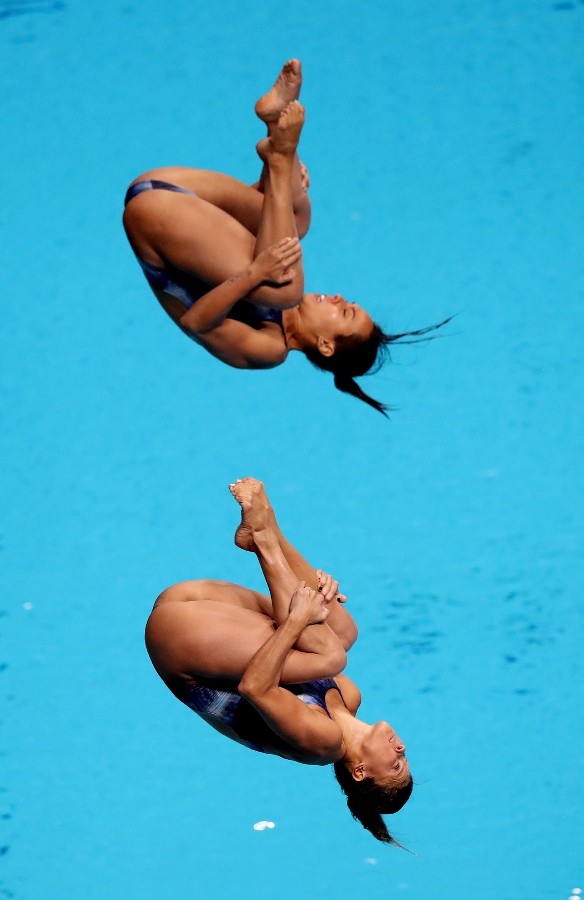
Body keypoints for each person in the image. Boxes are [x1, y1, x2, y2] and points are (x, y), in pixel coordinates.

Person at [123, 60, 449, 414]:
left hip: (154, 214)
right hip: (177, 191)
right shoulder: (276, 279)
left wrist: (254, 274)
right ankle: (275, 125)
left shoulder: (271, 348)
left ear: (325, 345)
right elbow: (224, 228)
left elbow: (195, 324)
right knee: (297, 221)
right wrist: (270, 189)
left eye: (346, 313)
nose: (340, 298)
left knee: (283, 281)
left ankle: (281, 158)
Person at [145, 478, 413, 845]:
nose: (401, 749)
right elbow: (299, 642)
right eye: (405, 757)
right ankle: (265, 534)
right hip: (202, 606)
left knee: (331, 653)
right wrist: (320, 594)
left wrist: (300, 620)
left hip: (177, 642)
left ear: (360, 771)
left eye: (395, 765)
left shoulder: (323, 745)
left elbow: (254, 686)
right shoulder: (349, 697)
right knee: (343, 632)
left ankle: (264, 541)